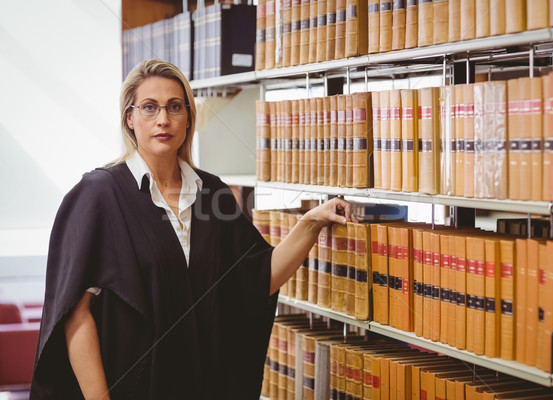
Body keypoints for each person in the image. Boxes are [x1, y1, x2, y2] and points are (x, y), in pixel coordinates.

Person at [30, 59, 355, 400]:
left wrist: (311, 222)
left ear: (188, 118)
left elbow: (258, 278)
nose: (163, 120)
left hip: (201, 384)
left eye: (174, 107)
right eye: (149, 107)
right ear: (129, 118)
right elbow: (74, 315)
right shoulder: (98, 194)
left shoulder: (212, 192)